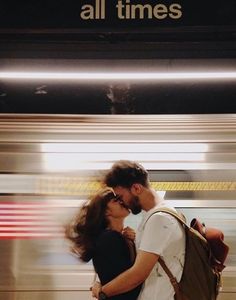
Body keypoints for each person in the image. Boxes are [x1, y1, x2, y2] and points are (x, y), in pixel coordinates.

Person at [92, 160, 186, 300]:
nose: (121, 202)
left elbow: (137, 274)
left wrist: (102, 292)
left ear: (136, 188)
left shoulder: (159, 219)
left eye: (120, 196)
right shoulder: (157, 215)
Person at [65, 187, 142, 300]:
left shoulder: (114, 237)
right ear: (106, 211)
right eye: (116, 201)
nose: (122, 202)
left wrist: (132, 241)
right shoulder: (109, 238)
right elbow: (129, 280)